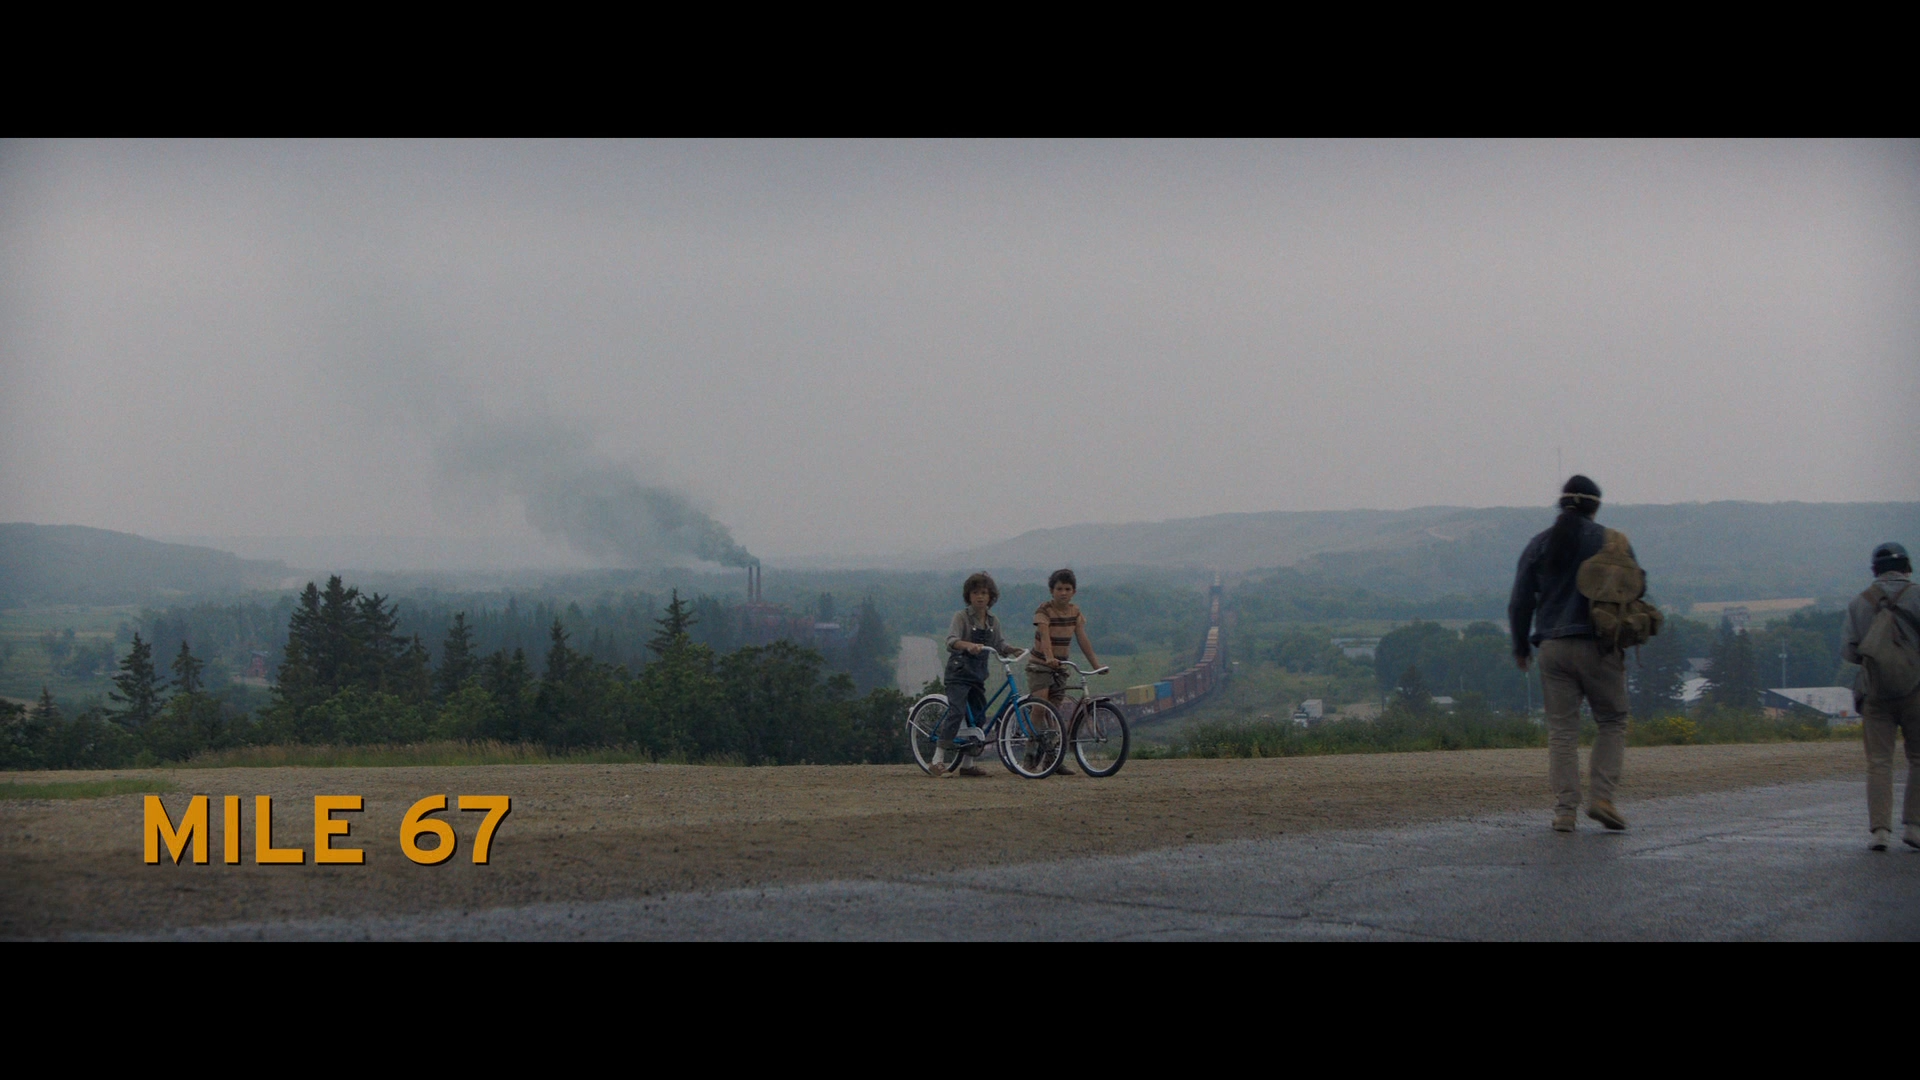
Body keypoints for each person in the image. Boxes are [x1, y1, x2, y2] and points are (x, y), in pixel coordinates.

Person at [1509, 476, 1634, 833]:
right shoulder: (1612, 541)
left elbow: (1520, 601)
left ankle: (1565, 811)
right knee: (1611, 721)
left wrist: (1521, 647)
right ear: (1595, 507)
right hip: (1598, 645)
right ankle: (1602, 798)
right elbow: (1634, 589)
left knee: (1562, 731)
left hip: (1552, 648)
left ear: (1562, 504)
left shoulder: (1539, 544)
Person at [1841, 542, 1920, 851]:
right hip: (1916, 690)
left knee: (1879, 762)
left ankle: (1880, 831)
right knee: (1918, 758)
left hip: (1874, 691)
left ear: (1875, 570)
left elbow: (1850, 651)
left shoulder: (1859, 602)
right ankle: (1914, 827)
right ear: (1906, 568)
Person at [935, 572, 1012, 778]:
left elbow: (999, 644)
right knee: (957, 711)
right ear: (968, 596)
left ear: (991, 596)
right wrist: (968, 645)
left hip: (978, 675)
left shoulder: (993, 621)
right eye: (976, 593)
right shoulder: (961, 617)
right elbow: (951, 641)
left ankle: (968, 765)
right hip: (959, 674)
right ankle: (937, 759)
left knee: (978, 716)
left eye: (984, 593)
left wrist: (1012, 650)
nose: (980, 597)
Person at [1029, 568, 1102, 777]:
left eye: (1067, 589)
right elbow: (1044, 636)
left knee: (1054, 713)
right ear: (1052, 591)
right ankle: (1029, 756)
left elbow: (1082, 639)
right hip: (1040, 665)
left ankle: (1052, 761)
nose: (1063, 593)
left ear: (1074, 592)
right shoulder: (1044, 610)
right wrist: (1049, 657)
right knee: (1040, 708)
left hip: (1060, 668)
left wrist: (1096, 665)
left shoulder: (1075, 612)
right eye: (1059, 589)